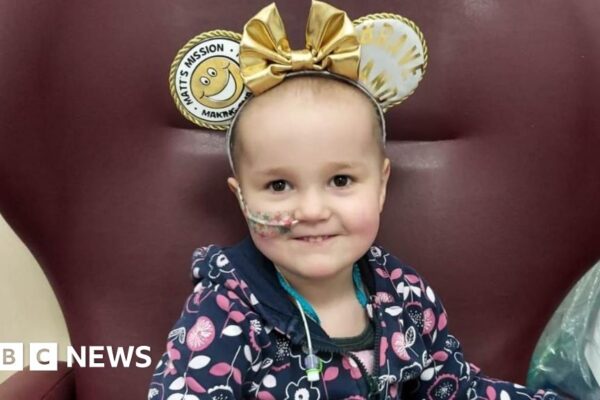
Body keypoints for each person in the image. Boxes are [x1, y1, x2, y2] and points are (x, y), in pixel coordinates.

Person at [148, 1, 563, 399]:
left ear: (381, 187)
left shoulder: (405, 295)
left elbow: (454, 390)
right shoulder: (224, 312)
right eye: (278, 186)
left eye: (341, 180)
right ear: (241, 200)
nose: (312, 211)